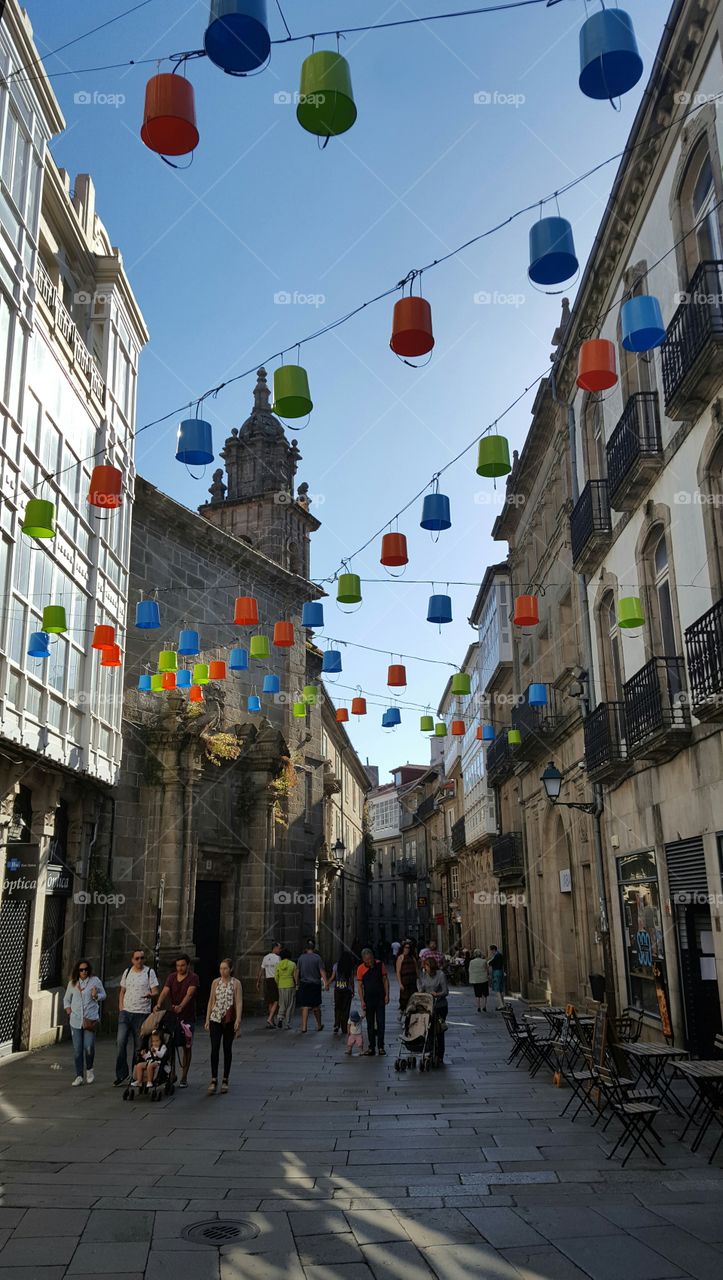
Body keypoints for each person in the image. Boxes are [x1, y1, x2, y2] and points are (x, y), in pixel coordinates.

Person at [114, 948, 159, 1086]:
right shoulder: (127, 972)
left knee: (139, 1047)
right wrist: (121, 1007)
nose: (140, 961)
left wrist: (151, 995)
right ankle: (122, 1074)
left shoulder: (149, 972)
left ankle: (136, 1075)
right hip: (126, 1013)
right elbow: (122, 991)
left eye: (142, 958)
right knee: (120, 1042)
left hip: (142, 1014)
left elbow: (156, 991)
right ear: (132, 960)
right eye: (137, 958)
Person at [155, 954, 200, 1087]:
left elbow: (190, 994)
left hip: (188, 1017)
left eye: (182, 965)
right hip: (174, 1017)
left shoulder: (193, 977)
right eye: (178, 965)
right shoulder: (171, 977)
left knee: (187, 1047)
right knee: (170, 1044)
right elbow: (164, 992)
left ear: (188, 965)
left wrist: (181, 1006)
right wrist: (159, 1003)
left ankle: (184, 1076)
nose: (180, 968)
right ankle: (172, 1073)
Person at [64, 959, 106, 1087]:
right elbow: (66, 999)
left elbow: (104, 994)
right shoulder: (72, 984)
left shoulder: (95, 981)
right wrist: (68, 1010)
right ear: (78, 971)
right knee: (77, 1050)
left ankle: (89, 1069)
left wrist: (96, 996)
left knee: (88, 1047)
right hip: (75, 1020)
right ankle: (78, 1075)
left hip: (90, 1020)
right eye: (81, 970)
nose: (84, 972)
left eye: (86, 969)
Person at [205, 957, 242, 1094]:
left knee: (227, 1048)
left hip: (229, 1019)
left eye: (225, 968)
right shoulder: (216, 982)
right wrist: (207, 1018)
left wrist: (238, 1019)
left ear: (230, 969)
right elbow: (211, 1000)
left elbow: (238, 1002)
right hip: (215, 1017)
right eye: (221, 968)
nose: (222, 971)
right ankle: (214, 1078)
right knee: (214, 1048)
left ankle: (225, 1078)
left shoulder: (236, 983)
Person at [356, 946, 390, 1056]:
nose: (369, 962)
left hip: (380, 998)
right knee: (370, 1024)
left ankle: (381, 1047)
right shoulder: (360, 969)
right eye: (366, 960)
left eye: (370, 959)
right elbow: (360, 986)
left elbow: (385, 980)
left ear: (373, 957)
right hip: (368, 1000)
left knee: (381, 1023)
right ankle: (371, 1047)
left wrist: (387, 995)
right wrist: (362, 1001)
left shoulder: (380, 965)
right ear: (363, 959)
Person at [418, 955, 449, 1065]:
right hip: (428, 1006)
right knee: (429, 1030)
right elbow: (422, 987)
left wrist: (437, 994)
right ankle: (431, 1050)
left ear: (431, 966)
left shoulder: (440, 975)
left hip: (440, 1006)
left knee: (439, 1030)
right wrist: (421, 992)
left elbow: (446, 991)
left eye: (426, 966)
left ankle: (440, 1054)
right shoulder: (424, 975)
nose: (425, 968)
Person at [296, 939, 328, 1032]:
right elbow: (322, 971)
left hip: (304, 984)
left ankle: (304, 1027)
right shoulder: (317, 958)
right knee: (316, 1006)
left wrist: (296, 982)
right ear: (314, 948)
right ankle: (319, 1025)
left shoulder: (301, 958)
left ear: (306, 948)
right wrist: (326, 983)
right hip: (315, 984)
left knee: (305, 1006)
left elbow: (297, 971)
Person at [257, 941, 281, 1028]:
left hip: (267, 980)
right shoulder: (278, 958)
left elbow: (261, 970)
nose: (280, 950)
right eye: (279, 948)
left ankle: (272, 1021)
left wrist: (258, 981)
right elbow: (279, 971)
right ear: (275, 948)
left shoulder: (265, 957)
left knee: (270, 1001)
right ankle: (270, 1018)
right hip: (274, 980)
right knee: (276, 1000)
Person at [331, 950, 355, 1034]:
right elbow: (351, 980)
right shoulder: (350, 967)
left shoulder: (336, 966)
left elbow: (333, 977)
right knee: (346, 1009)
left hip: (337, 989)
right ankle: (344, 1027)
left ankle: (336, 1024)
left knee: (337, 1007)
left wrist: (327, 983)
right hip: (347, 990)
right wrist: (353, 990)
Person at [276, 948, 298, 1029]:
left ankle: (280, 1018)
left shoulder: (278, 964)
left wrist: (278, 983)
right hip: (290, 985)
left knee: (282, 1003)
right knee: (290, 1004)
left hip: (281, 985)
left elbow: (276, 976)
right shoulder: (292, 964)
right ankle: (287, 1023)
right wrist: (296, 984)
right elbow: (295, 976)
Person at [396, 939, 419, 1012]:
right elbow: (398, 972)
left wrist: (419, 979)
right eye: (406, 947)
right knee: (404, 999)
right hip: (404, 981)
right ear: (403, 948)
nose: (407, 949)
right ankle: (403, 1011)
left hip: (412, 981)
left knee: (413, 997)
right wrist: (400, 984)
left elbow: (416, 969)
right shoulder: (400, 958)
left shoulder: (412, 957)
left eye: (408, 948)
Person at [468, 948, 489, 1013]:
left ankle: (478, 1007)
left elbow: (469, 970)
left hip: (475, 980)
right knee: (484, 994)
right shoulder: (484, 961)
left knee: (477, 994)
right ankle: (484, 1007)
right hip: (484, 979)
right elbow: (487, 969)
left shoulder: (471, 962)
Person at [488, 944, 505, 1009]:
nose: (491, 952)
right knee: (500, 989)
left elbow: (490, 963)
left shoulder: (496, 956)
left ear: (493, 950)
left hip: (496, 973)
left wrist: (490, 960)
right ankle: (503, 1004)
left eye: (491, 951)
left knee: (497, 989)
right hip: (500, 972)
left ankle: (501, 1005)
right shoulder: (500, 955)